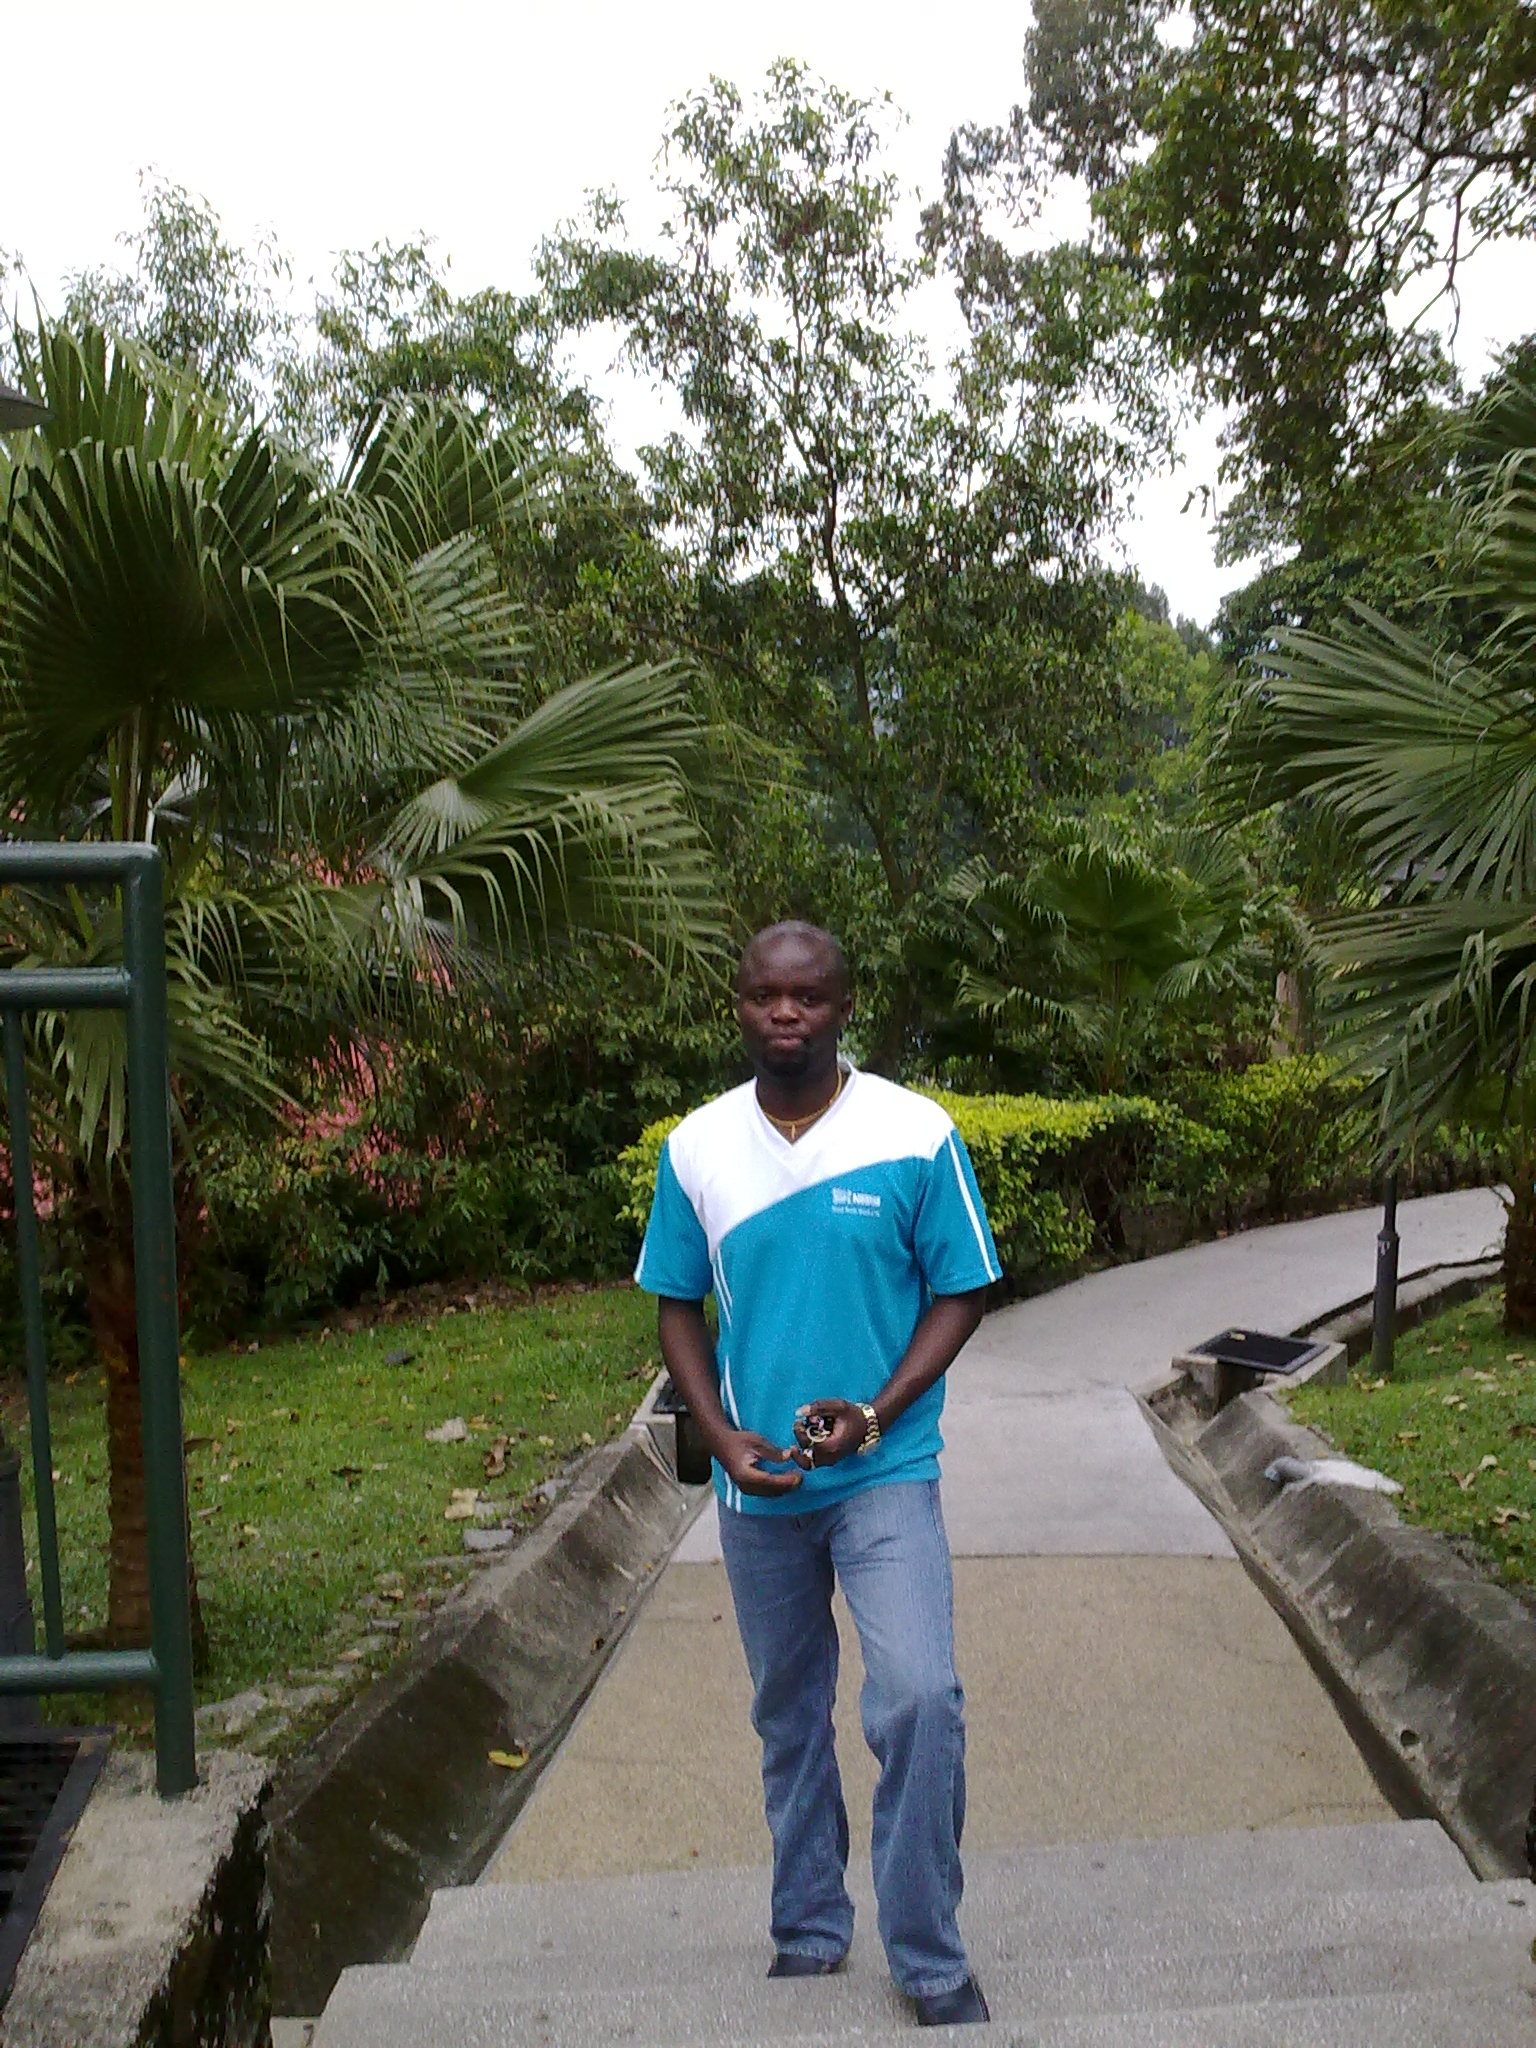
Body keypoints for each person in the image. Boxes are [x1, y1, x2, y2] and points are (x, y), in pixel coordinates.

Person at [636, 921, 1000, 2028]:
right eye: (764, 995)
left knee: (920, 1698)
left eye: (807, 996)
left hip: (887, 1471)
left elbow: (964, 1287)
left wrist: (877, 1411)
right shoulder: (697, 1147)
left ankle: (927, 1953)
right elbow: (676, 1304)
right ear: (739, 1005)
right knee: (788, 1715)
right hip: (760, 1494)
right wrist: (719, 1433)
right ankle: (807, 1923)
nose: (785, 1013)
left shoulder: (915, 1132)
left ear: (845, 1006)